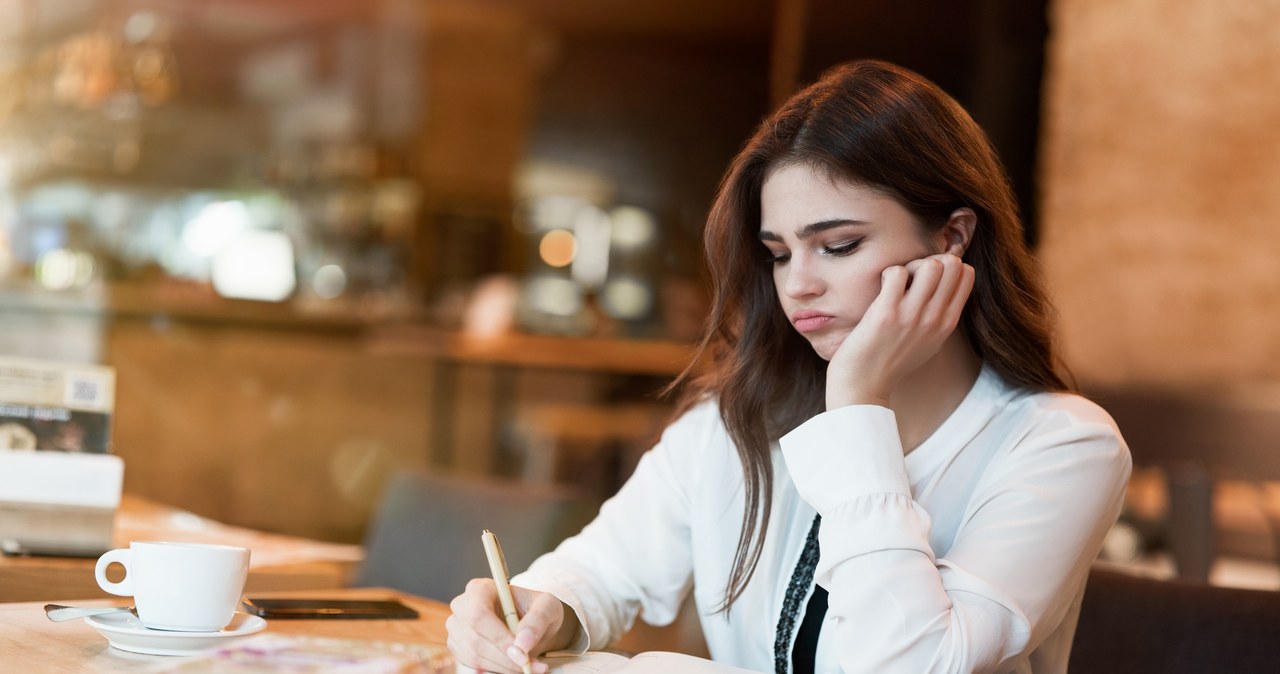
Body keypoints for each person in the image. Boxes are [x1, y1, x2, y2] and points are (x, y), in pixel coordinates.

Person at [446, 59, 1131, 674]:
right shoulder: (737, 415)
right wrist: (539, 609)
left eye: (837, 245)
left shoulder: (1061, 445)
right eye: (778, 253)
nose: (797, 284)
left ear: (951, 237)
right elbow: (601, 569)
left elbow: (906, 667)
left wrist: (860, 401)